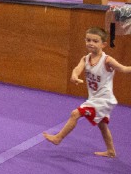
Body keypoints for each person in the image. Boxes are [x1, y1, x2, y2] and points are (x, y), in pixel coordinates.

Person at [43, 26, 131, 157]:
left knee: (75, 114)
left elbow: (124, 69)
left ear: (104, 44)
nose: (91, 43)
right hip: (95, 98)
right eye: (88, 40)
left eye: (95, 41)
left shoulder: (107, 60)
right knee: (102, 125)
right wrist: (74, 76)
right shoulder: (85, 59)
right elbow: (77, 69)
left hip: (104, 99)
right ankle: (111, 151)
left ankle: (58, 138)